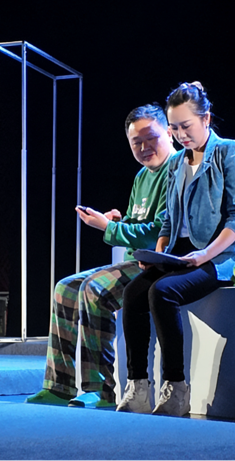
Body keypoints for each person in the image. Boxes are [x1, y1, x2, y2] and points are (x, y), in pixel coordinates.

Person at [25, 104, 176, 409]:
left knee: (94, 289)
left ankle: (100, 390)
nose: (144, 148)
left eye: (151, 138)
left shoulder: (176, 171)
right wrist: (119, 222)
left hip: (161, 262)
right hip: (137, 260)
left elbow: (160, 231)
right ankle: (59, 386)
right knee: (66, 288)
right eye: (136, 142)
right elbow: (138, 225)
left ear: (169, 133)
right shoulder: (142, 176)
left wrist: (108, 228)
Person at [117, 82, 235, 417]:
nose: (180, 135)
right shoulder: (177, 163)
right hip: (182, 256)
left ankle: (176, 388)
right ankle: (138, 387)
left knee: (163, 293)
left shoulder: (229, 151)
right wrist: (158, 253)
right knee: (133, 294)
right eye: (174, 128)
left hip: (221, 256)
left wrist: (205, 255)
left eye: (186, 126)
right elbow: (168, 220)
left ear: (206, 119)